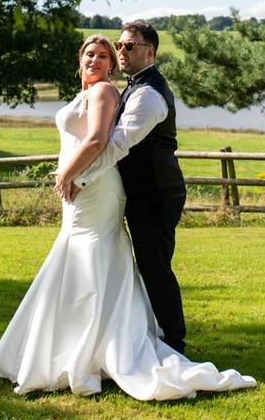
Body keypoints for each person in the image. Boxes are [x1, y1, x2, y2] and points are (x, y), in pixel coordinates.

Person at [0, 33, 255, 400]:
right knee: (84, 257)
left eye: (107, 54)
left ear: (115, 63)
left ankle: (156, 343)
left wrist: (71, 175)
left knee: (116, 257)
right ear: (79, 60)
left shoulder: (115, 93)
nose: (99, 59)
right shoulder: (108, 92)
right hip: (92, 186)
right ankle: (76, 344)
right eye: (90, 54)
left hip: (102, 188)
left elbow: (101, 141)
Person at [67, 21, 188, 353]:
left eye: (129, 47)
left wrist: (80, 177)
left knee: (154, 265)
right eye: (120, 46)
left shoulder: (149, 94)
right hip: (142, 191)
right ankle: (151, 332)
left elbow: (119, 144)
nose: (122, 51)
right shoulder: (135, 87)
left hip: (157, 193)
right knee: (147, 264)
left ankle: (174, 341)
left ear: (149, 52)